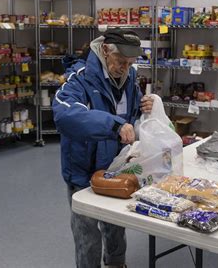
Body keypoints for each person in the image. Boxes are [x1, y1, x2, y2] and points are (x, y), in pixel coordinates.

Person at [52, 28, 153, 268]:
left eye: (130, 63)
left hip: (115, 166)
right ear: (105, 50)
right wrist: (114, 125)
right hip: (83, 168)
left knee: (116, 222)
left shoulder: (129, 78)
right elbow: (65, 115)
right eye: (121, 61)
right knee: (87, 231)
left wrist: (144, 105)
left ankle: (116, 263)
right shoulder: (79, 78)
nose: (125, 68)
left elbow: (128, 111)